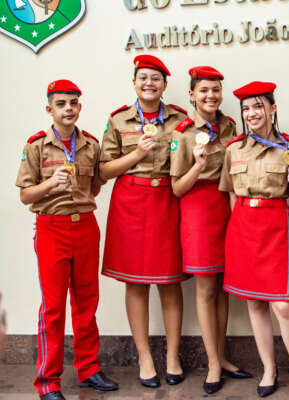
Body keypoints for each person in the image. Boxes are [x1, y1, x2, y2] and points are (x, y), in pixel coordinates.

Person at [16, 80, 119, 400]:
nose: (69, 108)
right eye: (61, 104)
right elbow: (25, 195)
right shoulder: (36, 145)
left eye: (73, 103)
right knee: (53, 308)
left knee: (87, 302)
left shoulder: (89, 144)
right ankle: (48, 381)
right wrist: (50, 185)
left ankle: (88, 368)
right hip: (51, 229)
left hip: (85, 227)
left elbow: (96, 185)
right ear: (50, 109)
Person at [219, 81, 289, 400]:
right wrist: (237, 228)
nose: (252, 114)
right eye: (246, 109)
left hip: (275, 225)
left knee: (283, 305)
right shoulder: (233, 148)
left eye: (258, 106)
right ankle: (269, 370)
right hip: (243, 226)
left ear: (272, 109)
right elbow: (231, 190)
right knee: (254, 303)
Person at [99, 55, 189, 388]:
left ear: (165, 84)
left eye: (155, 78)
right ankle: (145, 357)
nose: (148, 83)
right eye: (143, 78)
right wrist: (136, 154)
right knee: (134, 283)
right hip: (130, 203)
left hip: (167, 199)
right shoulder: (118, 120)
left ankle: (173, 356)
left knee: (169, 281)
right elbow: (104, 170)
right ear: (134, 82)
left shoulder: (181, 119)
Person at [170, 66, 251, 394]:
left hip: (228, 206)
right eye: (204, 90)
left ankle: (223, 356)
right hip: (199, 210)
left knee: (222, 287)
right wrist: (199, 166)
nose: (211, 96)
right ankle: (213, 364)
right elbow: (176, 187)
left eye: (216, 90)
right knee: (205, 288)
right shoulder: (183, 132)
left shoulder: (231, 126)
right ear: (191, 95)